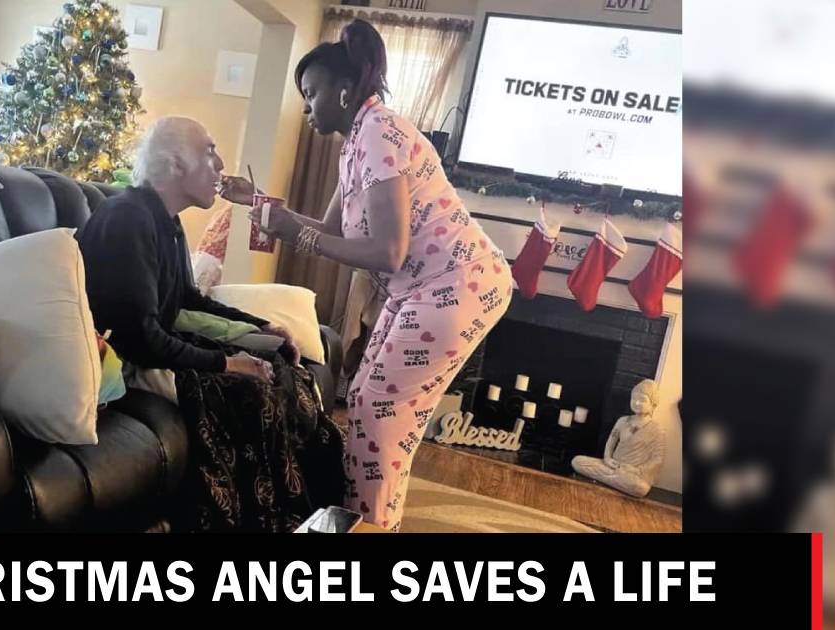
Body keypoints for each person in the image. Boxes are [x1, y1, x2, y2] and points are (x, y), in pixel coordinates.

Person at [224, 20, 513, 531]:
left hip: (456, 284)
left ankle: (371, 526)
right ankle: (364, 519)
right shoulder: (357, 141)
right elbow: (330, 230)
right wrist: (259, 203)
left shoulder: (379, 132)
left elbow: (386, 251)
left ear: (344, 90)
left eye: (311, 93)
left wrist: (297, 234)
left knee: (382, 410)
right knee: (364, 399)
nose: (306, 107)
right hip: (421, 288)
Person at [76, 116, 345, 531]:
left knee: (279, 368)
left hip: (153, 346)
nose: (220, 164)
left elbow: (190, 299)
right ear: (174, 163)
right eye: (209, 152)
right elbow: (141, 338)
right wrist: (227, 363)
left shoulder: (165, 220)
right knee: (253, 391)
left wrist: (262, 327)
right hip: (123, 362)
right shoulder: (128, 218)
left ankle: (311, 515)